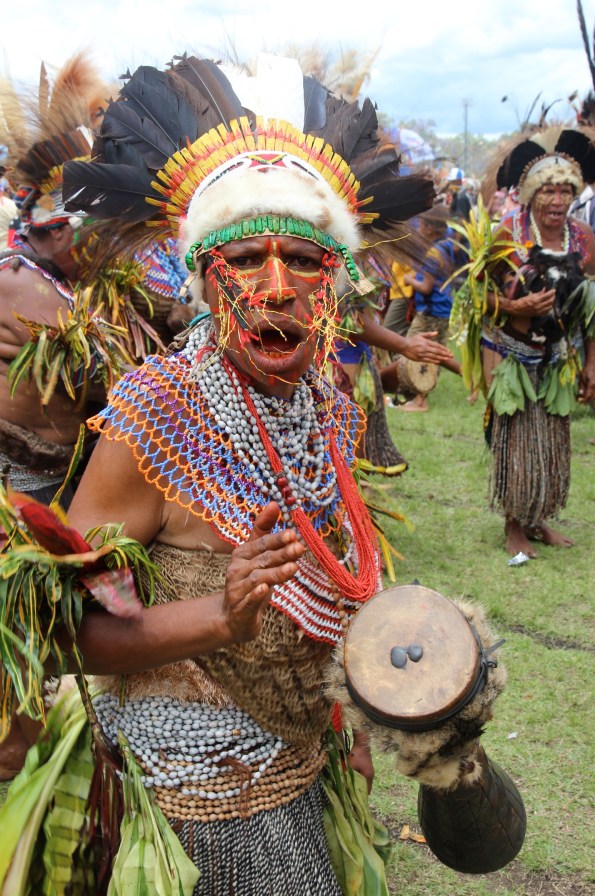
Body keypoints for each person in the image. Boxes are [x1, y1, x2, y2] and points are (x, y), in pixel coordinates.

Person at [1, 53, 525, 894]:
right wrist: (221, 616)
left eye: (303, 260)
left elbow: (336, 582)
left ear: (334, 283)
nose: (276, 288)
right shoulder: (154, 417)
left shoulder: (322, 404)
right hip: (195, 791)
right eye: (245, 257)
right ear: (206, 279)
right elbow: (61, 632)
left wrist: (345, 718)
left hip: (300, 754)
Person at [464, 127, 595, 557]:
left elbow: (591, 310)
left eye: (565, 191)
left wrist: (591, 363)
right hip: (510, 352)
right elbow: (475, 296)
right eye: (548, 191)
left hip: (557, 355)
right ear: (532, 194)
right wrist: (515, 306)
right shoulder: (508, 234)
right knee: (516, 439)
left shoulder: (583, 239)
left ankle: (537, 519)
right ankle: (513, 525)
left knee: (550, 441)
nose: (557, 200)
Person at [385, 206, 462, 412]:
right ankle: (469, 378)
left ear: (429, 228)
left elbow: (426, 287)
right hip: (440, 309)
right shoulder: (446, 245)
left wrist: (410, 279)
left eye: (421, 224)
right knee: (433, 353)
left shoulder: (433, 254)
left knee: (420, 352)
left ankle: (420, 401)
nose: (417, 227)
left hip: (431, 310)